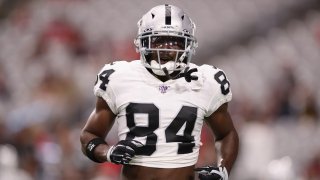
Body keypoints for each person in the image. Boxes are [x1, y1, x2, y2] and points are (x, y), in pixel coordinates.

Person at [80, 4, 239, 180]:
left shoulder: (205, 81)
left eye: (174, 42)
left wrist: (223, 169)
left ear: (187, 46)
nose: (166, 49)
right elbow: (89, 136)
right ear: (142, 43)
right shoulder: (120, 77)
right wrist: (108, 152)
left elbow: (227, 134)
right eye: (159, 40)